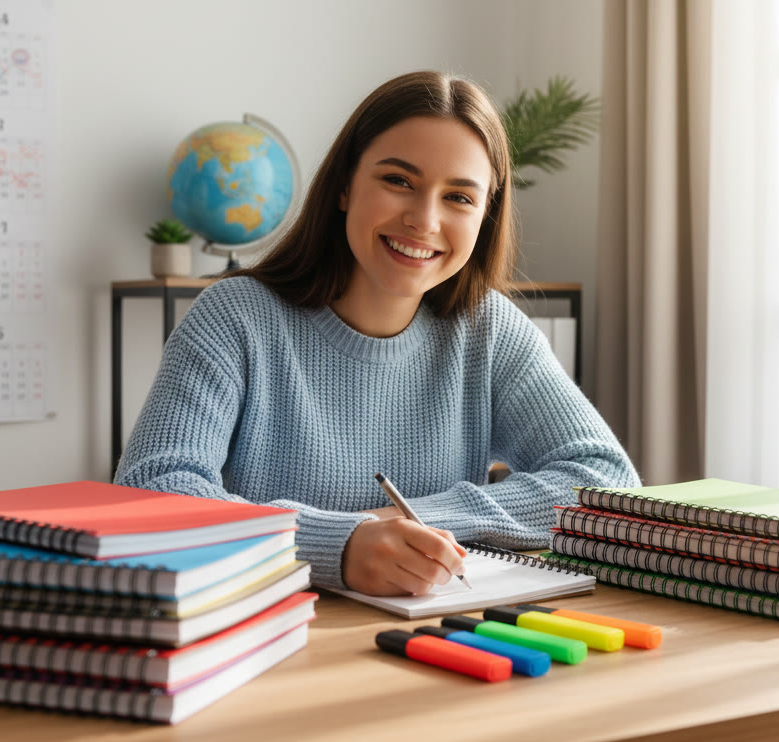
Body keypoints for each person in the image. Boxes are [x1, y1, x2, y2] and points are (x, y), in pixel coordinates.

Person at [115, 70, 638, 596]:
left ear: (485, 217)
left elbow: (606, 481)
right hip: (271, 638)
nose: (424, 219)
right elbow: (151, 492)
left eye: (459, 197)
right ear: (344, 185)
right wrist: (334, 542)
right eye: (398, 181)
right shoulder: (235, 317)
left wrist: (412, 522)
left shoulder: (490, 329)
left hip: (438, 635)